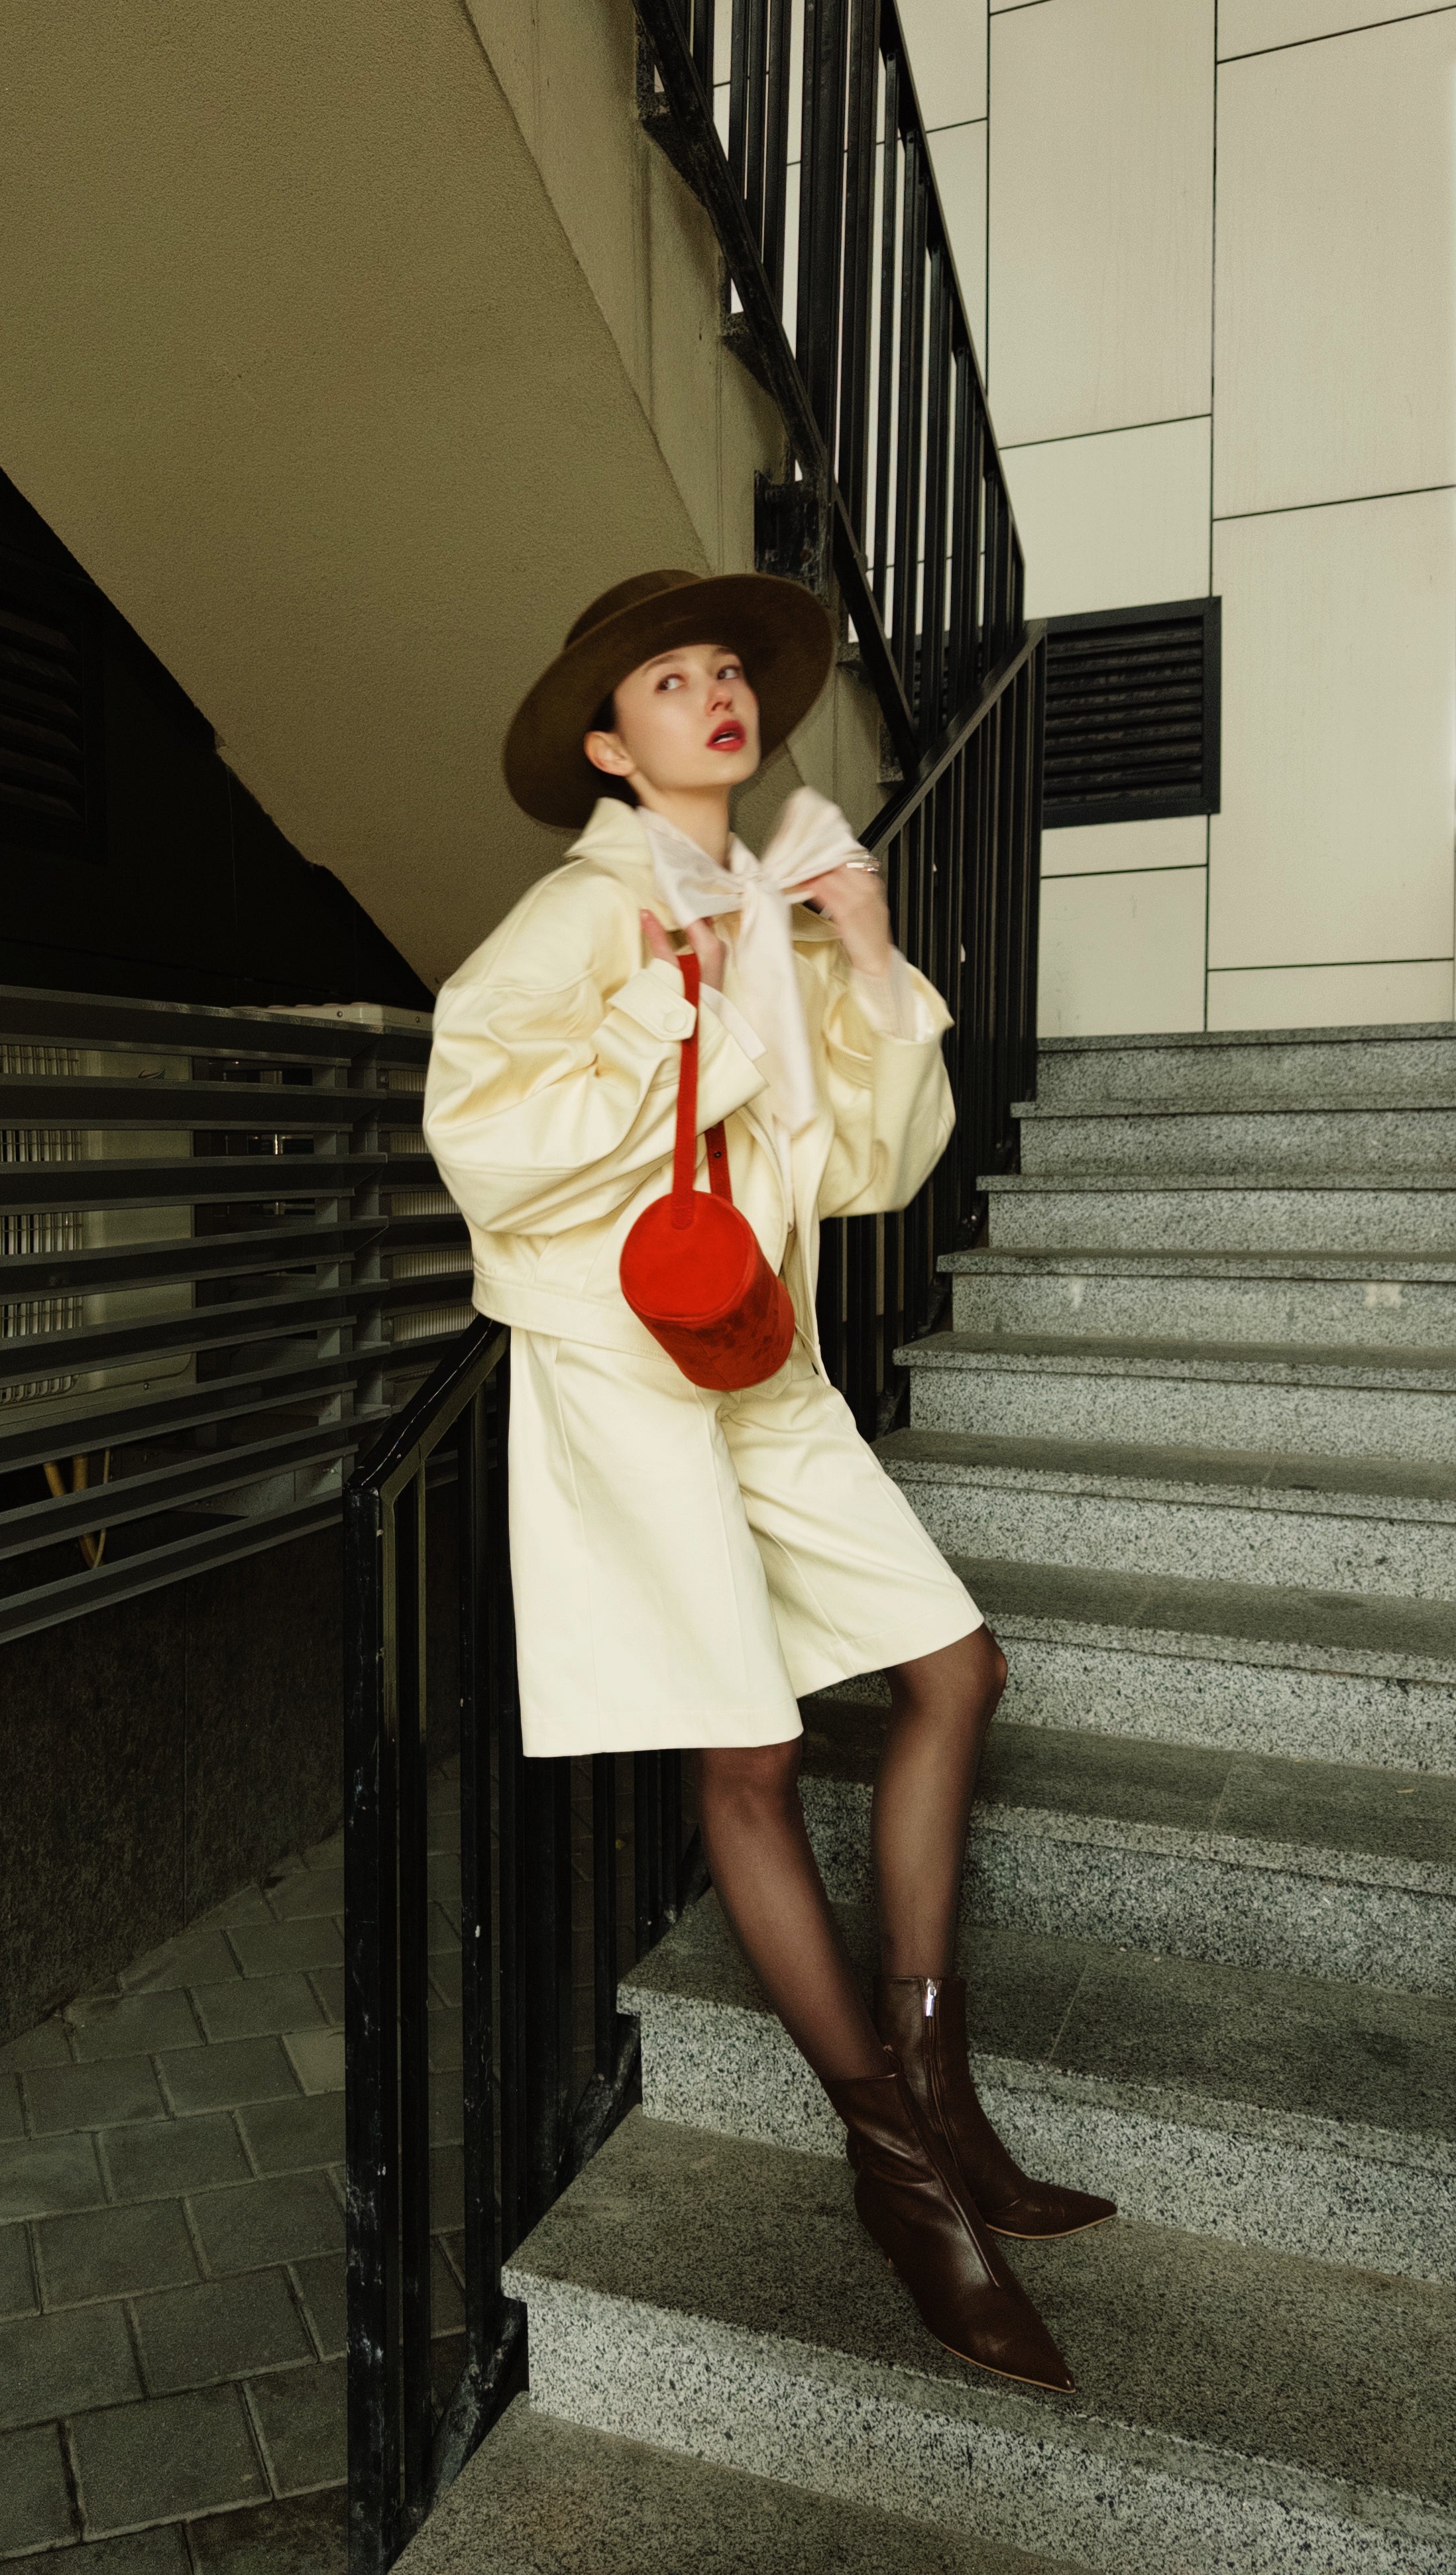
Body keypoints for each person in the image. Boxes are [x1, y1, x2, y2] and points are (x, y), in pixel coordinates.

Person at [423, 568, 1111, 2395]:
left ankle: (940, 2102)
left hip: (763, 1362)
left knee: (954, 1666)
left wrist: (859, 956)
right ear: (607, 744)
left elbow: (865, 1171)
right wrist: (681, 1015)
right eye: (669, 678)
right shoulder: (580, 916)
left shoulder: (771, 908)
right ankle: (907, 2182)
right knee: (746, 1752)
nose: (716, 693)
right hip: (626, 1378)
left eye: (728, 669)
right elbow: (483, 1141)